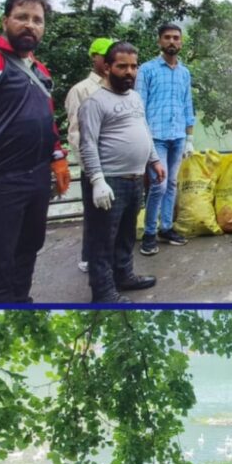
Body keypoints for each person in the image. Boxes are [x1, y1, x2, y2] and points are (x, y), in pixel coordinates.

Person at [0, 0, 69, 303]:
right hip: (2, 179)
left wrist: (58, 158)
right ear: (5, 21)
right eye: (22, 17)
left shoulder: (41, 71)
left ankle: (22, 301)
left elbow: (47, 120)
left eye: (37, 20)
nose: (30, 25)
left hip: (37, 177)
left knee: (29, 246)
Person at [78, 42, 164, 304]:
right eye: (122, 66)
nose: (130, 72)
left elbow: (144, 130)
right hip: (110, 180)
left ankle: (124, 275)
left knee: (126, 234)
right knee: (102, 240)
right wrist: (97, 181)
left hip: (135, 178)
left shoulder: (135, 97)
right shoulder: (95, 102)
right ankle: (103, 293)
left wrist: (154, 160)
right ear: (107, 67)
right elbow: (87, 144)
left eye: (133, 66)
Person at [137, 22, 195, 255]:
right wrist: (143, 138)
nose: (172, 41)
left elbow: (187, 104)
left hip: (178, 135)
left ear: (181, 42)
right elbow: (138, 106)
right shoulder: (147, 70)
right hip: (155, 137)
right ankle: (149, 233)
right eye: (168, 37)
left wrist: (190, 137)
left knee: (171, 183)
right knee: (158, 185)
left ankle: (167, 227)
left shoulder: (184, 72)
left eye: (176, 38)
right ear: (160, 41)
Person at [65, 37, 113, 275]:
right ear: (94, 57)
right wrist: (91, 171)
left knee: (112, 214)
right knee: (94, 215)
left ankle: (107, 257)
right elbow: (75, 133)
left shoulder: (118, 87)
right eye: (104, 56)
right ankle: (89, 258)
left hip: (116, 164)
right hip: (95, 166)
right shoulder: (81, 90)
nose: (108, 62)